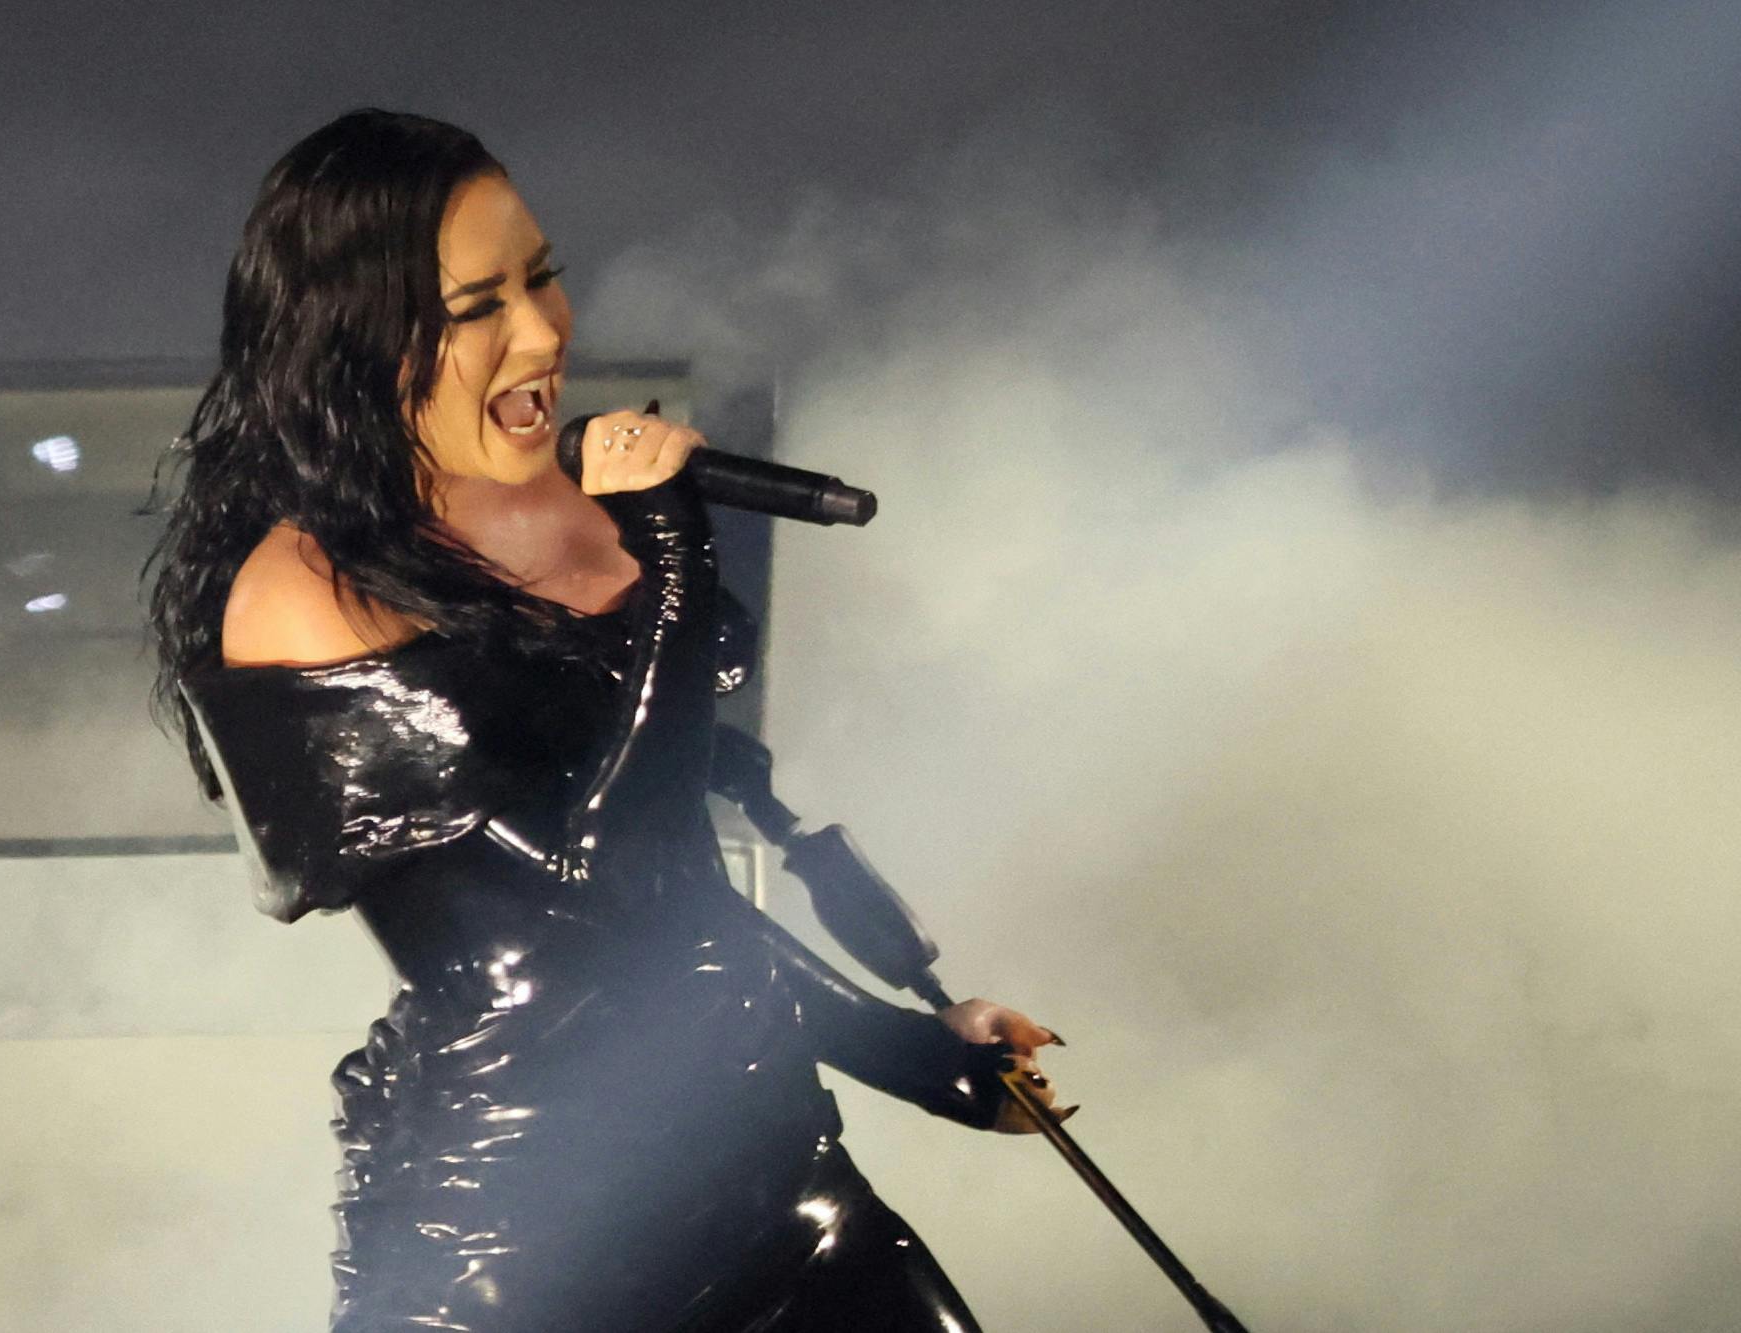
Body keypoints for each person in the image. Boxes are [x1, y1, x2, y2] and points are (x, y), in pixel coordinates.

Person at [145, 108, 1062, 1332]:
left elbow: (686, 906)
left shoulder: (575, 519)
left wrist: (923, 1053)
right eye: (477, 307)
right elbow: (603, 894)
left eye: (543, 279)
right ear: (354, 342)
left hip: (779, 1185)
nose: (539, 333)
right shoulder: (306, 598)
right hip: (526, 1255)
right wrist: (676, 553)